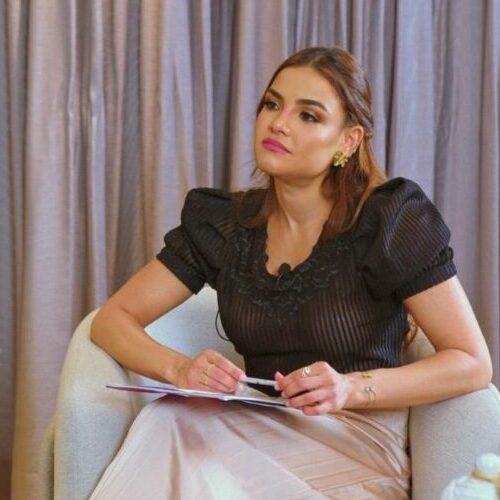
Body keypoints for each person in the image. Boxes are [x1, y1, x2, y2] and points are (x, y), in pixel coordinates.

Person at [89, 46, 492, 499]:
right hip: (257, 430)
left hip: (357, 445)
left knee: (185, 447)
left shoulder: (387, 220)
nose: (279, 123)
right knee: (171, 419)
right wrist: (179, 368)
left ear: (348, 141)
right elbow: (112, 320)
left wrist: (349, 388)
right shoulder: (225, 225)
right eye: (272, 104)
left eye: (308, 116)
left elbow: (471, 361)